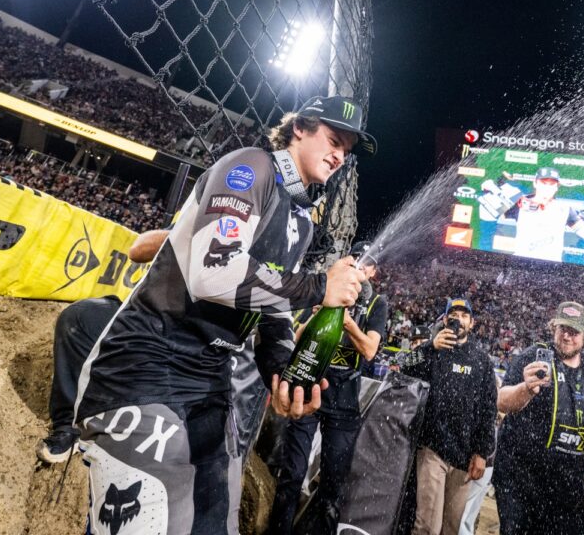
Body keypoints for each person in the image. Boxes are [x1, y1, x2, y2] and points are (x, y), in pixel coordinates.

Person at [73, 95, 375, 534]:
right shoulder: (250, 167)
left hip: (209, 381)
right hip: (145, 365)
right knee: (152, 522)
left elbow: (272, 313)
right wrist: (317, 288)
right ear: (299, 128)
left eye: (346, 150)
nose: (339, 156)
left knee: (216, 525)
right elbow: (212, 274)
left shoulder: (302, 221)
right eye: (333, 140)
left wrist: (282, 373)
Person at [270, 241, 389, 534]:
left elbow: (370, 350)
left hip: (345, 399)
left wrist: (347, 322)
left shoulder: (376, 303)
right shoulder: (327, 287)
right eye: (356, 258)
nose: (360, 265)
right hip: (310, 389)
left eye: (367, 263)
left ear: (372, 272)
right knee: (292, 473)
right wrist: (318, 312)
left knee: (333, 482)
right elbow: (295, 339)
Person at [36, 228, 168, 463]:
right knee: (81, 317)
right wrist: (190, 233)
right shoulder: (201, 225)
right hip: (150, 320)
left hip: (198, 346)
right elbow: (138, 250)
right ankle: (70, 426)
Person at [493, 301, 584, 535]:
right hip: (521, 480)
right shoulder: (533, 356)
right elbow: (501, 401)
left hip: (567, 487)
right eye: (562, 328)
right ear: (554, 327)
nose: (566, 336)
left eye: (574, 331)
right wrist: (526, 389)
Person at [399, 298, 498, 535]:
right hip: (432, 449)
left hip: (464, 454)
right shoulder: (433, 351)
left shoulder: (482, 361)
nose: (458, 320)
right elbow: (403, 366)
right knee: (427, 526)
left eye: (464, 315)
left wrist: (482, 452)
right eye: (453, 315)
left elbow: (488, 409)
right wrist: (429, 347)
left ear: (472, 323)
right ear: (445, 320)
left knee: (451, 527)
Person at [478, 167, 584, 262]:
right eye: (543, 183)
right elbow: (487, 217)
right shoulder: (519, 203)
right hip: (520, 265)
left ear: (557, 187)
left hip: (550, 269)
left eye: (552, 184)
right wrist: (489, 194)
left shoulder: (565, 209)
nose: (547, 187)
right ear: (535, 183)